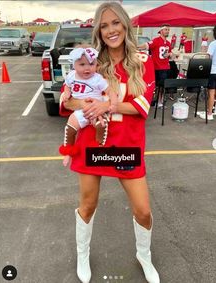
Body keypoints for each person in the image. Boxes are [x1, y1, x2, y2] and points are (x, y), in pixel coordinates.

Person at [59, 2, 160, 283]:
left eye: (115, 23)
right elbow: (68, 99)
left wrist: (107, 106)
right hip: (93, 143)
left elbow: (142, 106)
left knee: (143, 210)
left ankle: (144, 255)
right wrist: (89, 103)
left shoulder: (142, 59)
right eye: (104, 25)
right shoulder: (91, 61)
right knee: (88, 205)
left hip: (127, 145)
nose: (111, 30)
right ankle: (82, 254)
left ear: (125, 24)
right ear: (98, 31)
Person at [59, 46, 117, 167]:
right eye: (82, 64)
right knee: (70, 128)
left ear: (96, 65)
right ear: (74, 65)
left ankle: (98, 148)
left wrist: (113, 103)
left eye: (91, 64)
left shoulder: (97, 79)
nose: (87, 68)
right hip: (80, 111)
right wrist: (67, 93)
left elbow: (111, 91)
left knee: (101, 125)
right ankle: (68, 152)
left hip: (96, 109)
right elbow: (67, 85)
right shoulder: (71, 76)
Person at [138, 24, 173, 107]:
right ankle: (148, 101)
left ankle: (160, 102)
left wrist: (170, 54)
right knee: (153, 85)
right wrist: (136, 47)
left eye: (168, 30)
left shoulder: (168, 43)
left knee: (162, 86)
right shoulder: (156, 40)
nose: (167, 31)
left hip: (165, 67)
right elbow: (146, 45)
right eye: (166, 29)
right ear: (161, 31)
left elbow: (170, 53)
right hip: (156, 67)